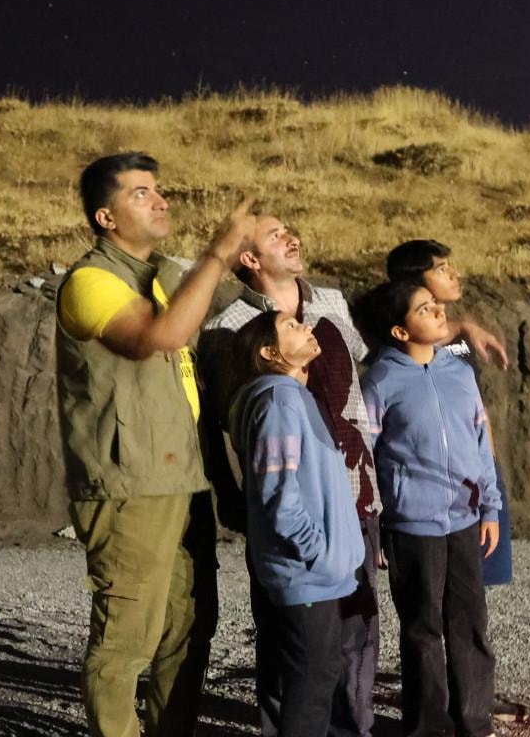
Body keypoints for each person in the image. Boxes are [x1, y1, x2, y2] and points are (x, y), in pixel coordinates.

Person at [197, 214, 507, 737]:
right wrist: (235, 500)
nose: (291, 237)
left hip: (355, 498)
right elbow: (222, 423)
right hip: (294, 508)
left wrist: (460, 328)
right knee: (293, 643)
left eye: (289, 229)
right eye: (275, 235)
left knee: (357, 635)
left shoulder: (331, 303)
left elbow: (398, 335)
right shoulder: (227, 330)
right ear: (249, 259)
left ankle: (354, 729)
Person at [55, 151, 255, 737]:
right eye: (140, 193)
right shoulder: (90, 282)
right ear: (105, 217)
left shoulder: (164, 277)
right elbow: (156, 337)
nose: (160, 200)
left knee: (188, 629)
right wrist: (218, 253)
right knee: (126, 640)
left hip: (183, 478)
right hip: (129, 485)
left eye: (159, 189)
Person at [359, 280, 501, 737]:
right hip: (411, 525)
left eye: (435, 303)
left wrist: (491, 507)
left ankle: (474, 723)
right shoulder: (379, 382)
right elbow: (366, 457)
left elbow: (480, 443)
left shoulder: (460, 372)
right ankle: (428, 728)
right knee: (422, 630)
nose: (439, 311)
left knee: (470, 623)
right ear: (400, 331)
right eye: (424, 308)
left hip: (465, 518)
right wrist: (376, 525)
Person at [228, 309, 367, 737]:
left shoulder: (292, 396)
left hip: (315, 573)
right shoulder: (278, 400)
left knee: (317, 678)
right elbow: (279, 494)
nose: (306, 327)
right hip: (306, 573)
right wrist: (319, 554)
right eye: (291, 326)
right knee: (312, 685)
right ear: (269, 353)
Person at [385, 239, 513, 587]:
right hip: (434, 486)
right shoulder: (400, 351)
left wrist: (490, 471)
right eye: (441, 269)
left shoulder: (455, 336)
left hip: (480, 472)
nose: (455, 274)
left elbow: (476, 414)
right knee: (443, 588)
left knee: (478, 586)